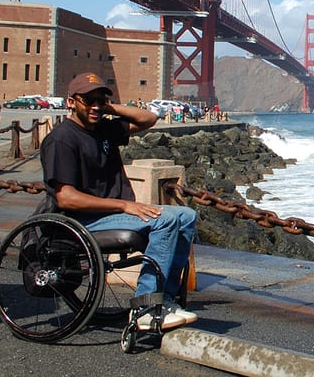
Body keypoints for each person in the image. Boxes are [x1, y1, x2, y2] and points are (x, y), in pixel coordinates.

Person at [39, 72, 198, 331]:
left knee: (187, 216)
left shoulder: (102, 129)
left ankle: (165, 298)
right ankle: (146, 307)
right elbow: (65, 197)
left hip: (109, 215)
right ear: (71, 102)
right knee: (166, 220)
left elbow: (149, 118)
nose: (95, 106)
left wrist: (106, 107)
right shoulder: (62, 139)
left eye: (100, 101)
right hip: (81, 220)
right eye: (87, 100)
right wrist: (124, 205)